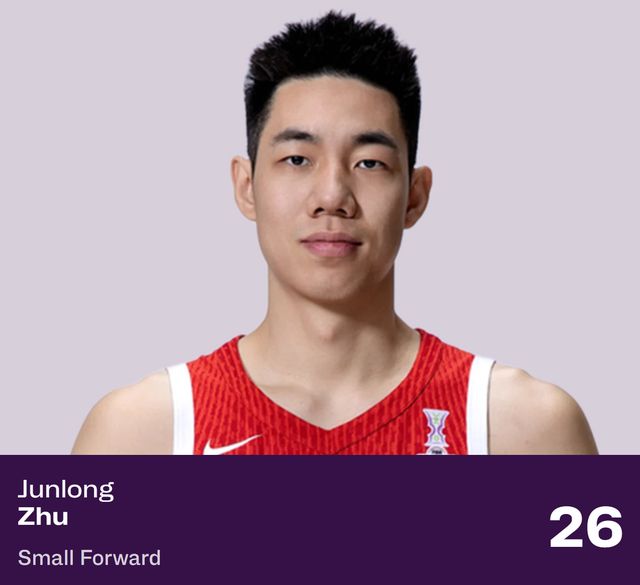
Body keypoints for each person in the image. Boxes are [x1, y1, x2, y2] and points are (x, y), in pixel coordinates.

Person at [72, 11, 598, 455]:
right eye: (297, 159)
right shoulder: (139, 435)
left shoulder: (525, 430)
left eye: (369, 163)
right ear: (247, 187)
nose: (332, 196)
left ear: (414, 195)